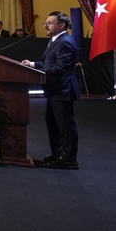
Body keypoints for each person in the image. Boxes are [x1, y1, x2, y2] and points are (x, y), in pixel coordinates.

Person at [22, 11, 80, 169]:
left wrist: (38, 72)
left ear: (61, 25)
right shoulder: (56, 40)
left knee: (65, 127)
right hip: (54, 91)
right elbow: (50, 63)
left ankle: (69, 160)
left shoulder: (65, 42)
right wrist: (32, 65)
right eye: (45, 23)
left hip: (62, 90)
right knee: (53, 125)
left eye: (50, 23)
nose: (46, 26)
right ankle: (58, 154)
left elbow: (62, 67)